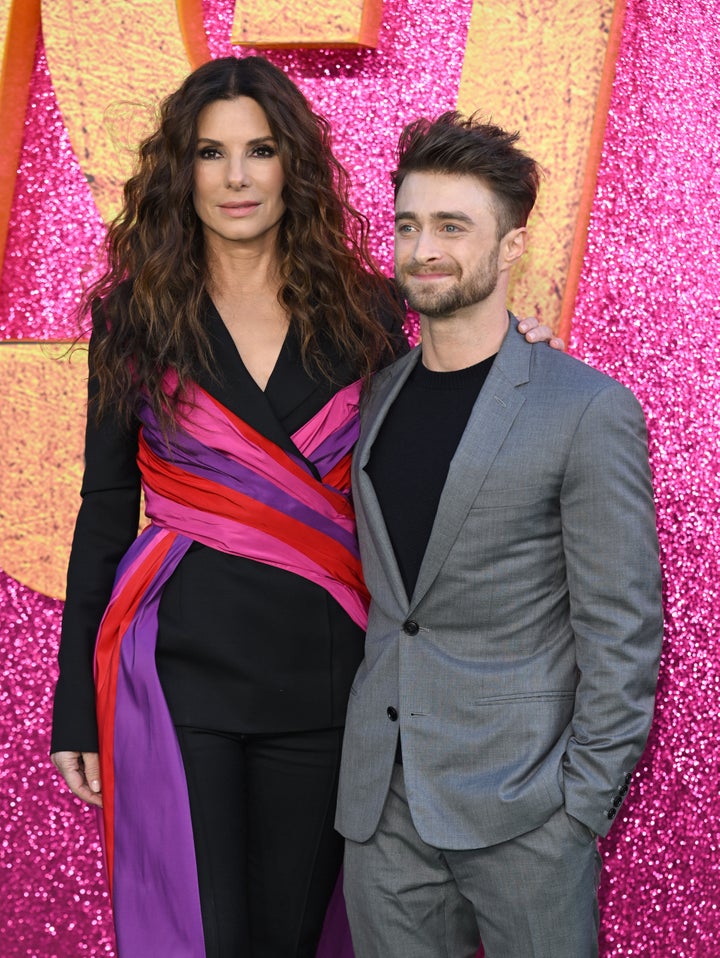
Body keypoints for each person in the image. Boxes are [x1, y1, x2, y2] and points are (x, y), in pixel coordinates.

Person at [49, 59, 557, 958]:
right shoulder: (131, 316)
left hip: (326, 686)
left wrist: (511, 365)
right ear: (182, 169)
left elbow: (427, 447)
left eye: (261, 150)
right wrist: (74, 711)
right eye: (212, 153)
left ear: (295, 166)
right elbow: (102, 509)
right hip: (177, 680)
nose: (237, 177)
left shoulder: (367, 310)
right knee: (202, 939)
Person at [336, 112, 664, 958]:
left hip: (527, 811)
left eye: (453, 226)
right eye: (409, 225)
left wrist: (578, 807)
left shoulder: (585, 408)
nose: (424, 249)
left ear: (513, 246)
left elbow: (621, 629)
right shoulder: (372, 399)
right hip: (383, 813)